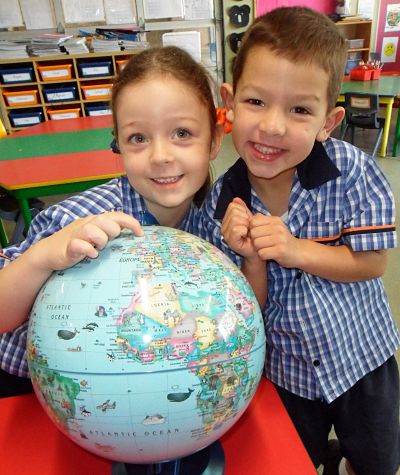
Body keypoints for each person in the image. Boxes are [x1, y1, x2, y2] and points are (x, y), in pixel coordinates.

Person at [195, 7, 399, 475]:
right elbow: (246, 310)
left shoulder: (353, 172)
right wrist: (252, 260)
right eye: (256, 101)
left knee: (377, 462)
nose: (272, 127)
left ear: (328, 121)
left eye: (300, 110)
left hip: (362, 360)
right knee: (293, 463)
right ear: (229, 103)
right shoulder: (221, 206)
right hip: (287, 375)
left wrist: (293, 250)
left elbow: (373, 263)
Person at [0, 45, 223, 397]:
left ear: (214, 141)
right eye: (138, 138)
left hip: (124, 391)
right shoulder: (78, 220)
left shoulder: (207, 226)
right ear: (118, 145)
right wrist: (42, 257)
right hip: (27, 387)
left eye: (182, 133)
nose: (161, 156)